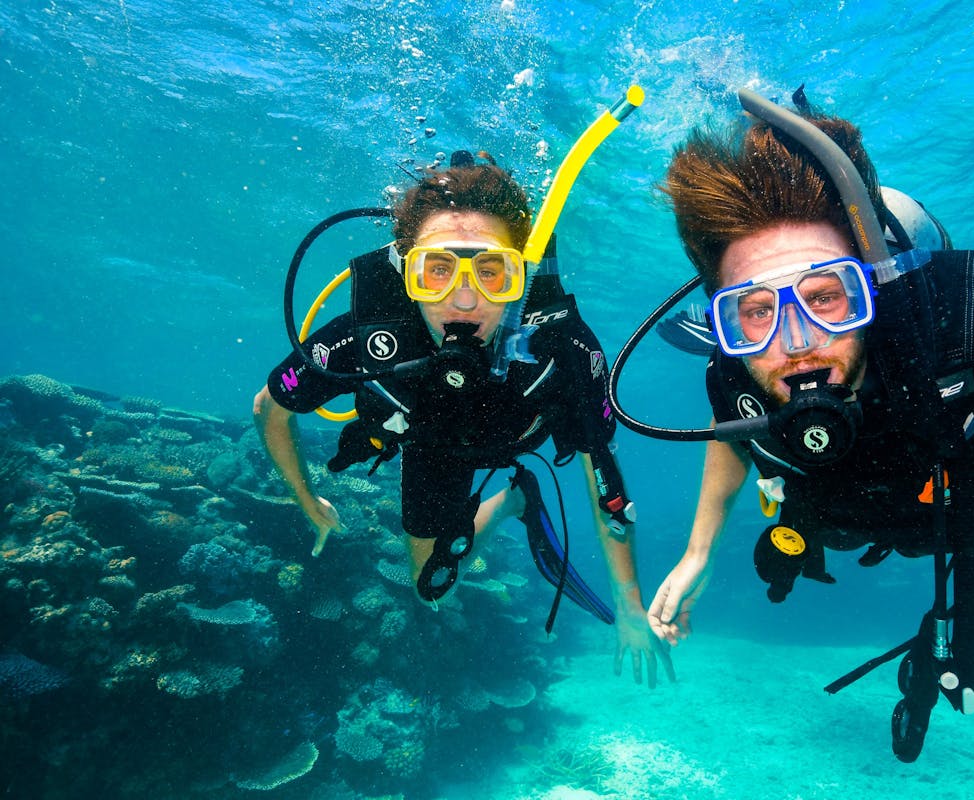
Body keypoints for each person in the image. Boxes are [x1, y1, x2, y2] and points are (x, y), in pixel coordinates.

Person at [619, 86, 974, 754]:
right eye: (754, 310)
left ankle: (948, 633)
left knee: (958, 553)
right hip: (834, 512)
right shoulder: (735, 367)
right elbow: (734, 434)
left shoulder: (969, 337)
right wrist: (700, 551)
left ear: (871, 284)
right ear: (724, 317)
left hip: (963, 499)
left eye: (826, 296)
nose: (798, 340)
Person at [253, 151, 672, 688]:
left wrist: (631, 608)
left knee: (433, 589)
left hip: (513, 436)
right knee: (431, 591)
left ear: (521, 275)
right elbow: (270, 406)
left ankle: (515, 489)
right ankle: (513, 502)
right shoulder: (364, 335)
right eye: (438, 270)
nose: (466, 298)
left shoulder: (562, 347)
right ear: (407, 271)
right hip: (430, 445)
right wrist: (307, 502)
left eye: (493, 271)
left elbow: (604, 480)